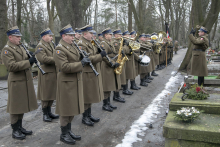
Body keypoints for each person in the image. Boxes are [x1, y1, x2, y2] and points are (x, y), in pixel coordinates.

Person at [54, 24, 89, 145]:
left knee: (72, 107)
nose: (73, 37)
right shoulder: (59, 49)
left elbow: (73, 59)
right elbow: (64, 67)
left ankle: (68, 131)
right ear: (64, 36)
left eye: (73, 35)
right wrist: (81, 64)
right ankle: (64, 134)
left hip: (75, 81)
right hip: (66, 83)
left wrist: (81, 55)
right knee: (66, 109)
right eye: (71, 35)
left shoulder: (71, 45)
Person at [1, 26, 38, 140]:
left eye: (20, 37)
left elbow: (25, 61)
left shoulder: (20, 47)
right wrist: (28, 62)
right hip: (16, 81)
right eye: (17, 37)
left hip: (24, 80)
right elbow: (11, 66)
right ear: (10, 37)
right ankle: (15, 129)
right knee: (15, 106)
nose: (19, 39)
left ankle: (20, 127)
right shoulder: (7, 50)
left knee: (22, 105)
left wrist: (31, 60)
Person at [77, 25, 106, 126]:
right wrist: (100, 56)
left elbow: (92, 54)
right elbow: (88, 58)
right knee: (87, 95)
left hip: (92, 71)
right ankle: (85, 117)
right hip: (87, 72)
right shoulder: (81, 43)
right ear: (85, 34)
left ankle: (89, 114)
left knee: (90, 95)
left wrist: (99, 51)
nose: (93, 34)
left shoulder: (90, 42)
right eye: (91, 33)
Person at [35, 28, 59, 122]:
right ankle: (45, 114)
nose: (51, 37)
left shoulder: (50, 44)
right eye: (50, 36)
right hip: (46, 73)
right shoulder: (40, 46)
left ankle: (49, 112)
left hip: (53, 73)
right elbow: (43, 59)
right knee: (45, 95)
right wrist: (57, 59)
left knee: (51, 93)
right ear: (44, 37)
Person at [100, 27, 121, 112]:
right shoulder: (103, 43)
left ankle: (108, 103)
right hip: (106, 66)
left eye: (112, 34)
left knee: (109, 86)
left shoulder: (109, 42)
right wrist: (112, 63)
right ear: (105, 35)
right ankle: (105, 104)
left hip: (110, 65)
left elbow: (113, 52)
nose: (112, 36)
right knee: (106, 86)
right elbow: (104, 56)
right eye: (110, 34)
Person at [111, 29, 128, 103]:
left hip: (119, 60)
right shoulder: (115, 42)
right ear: (115, 35)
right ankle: (116, 96)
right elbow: (118, 51)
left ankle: (117, 95)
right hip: (116, 61)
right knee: (117, 80)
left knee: (119, 79)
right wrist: (125, 45)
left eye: (121, 35)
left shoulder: (118, 41)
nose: (121, 36)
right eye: (119, 35)